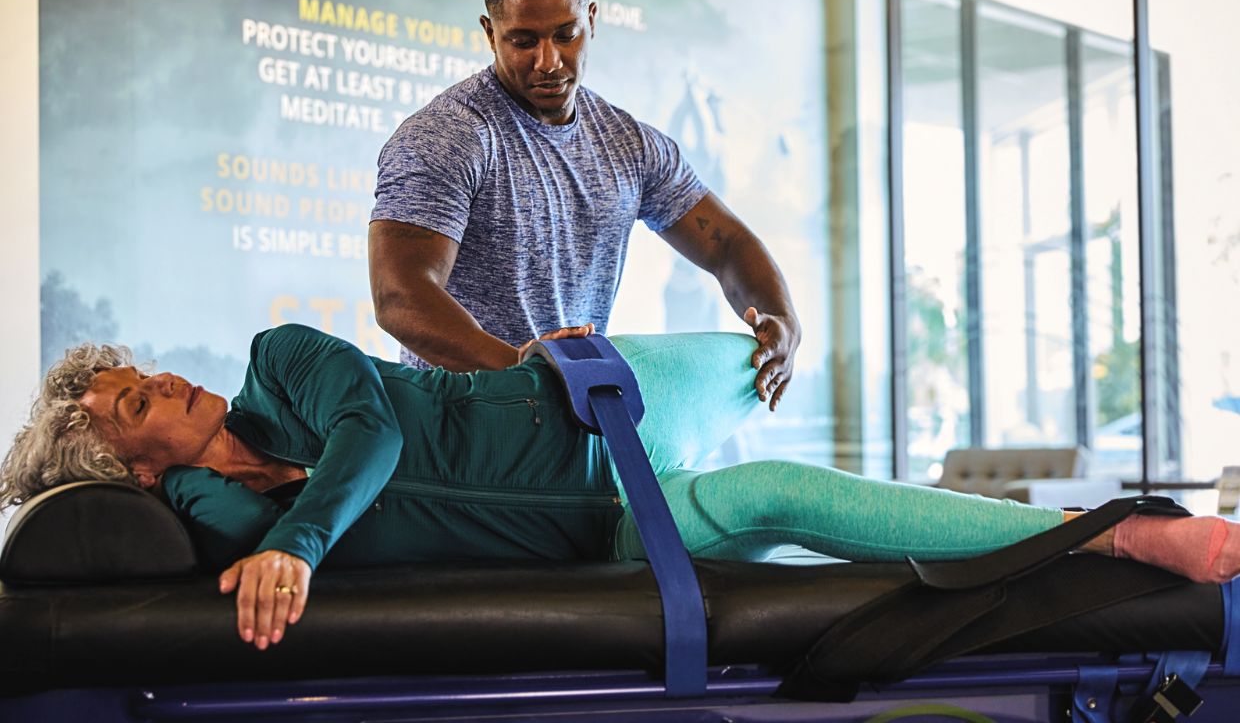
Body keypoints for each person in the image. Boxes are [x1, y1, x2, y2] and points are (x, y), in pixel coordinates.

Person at [4, 324, 1239, 656]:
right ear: (131, 465)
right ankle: (1127, 536)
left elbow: (371, 433)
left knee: (764, 364)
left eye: (141, 367)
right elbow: (198, 535)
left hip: (607, 401)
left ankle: (1127, 527)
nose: (159, 376)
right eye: (130, 401)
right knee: (784, 494)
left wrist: (303, 542)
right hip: (616, 516)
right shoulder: (212, 516)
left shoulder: (283, 356)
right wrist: (224, 524)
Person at [368, 0, 800, 411]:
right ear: (490, 34)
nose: (548, 61)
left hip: (571, 416)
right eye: (523, 41)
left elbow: (727, 245)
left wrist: (782, 318)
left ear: (590, 20)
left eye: (565, 35)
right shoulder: (452, 135)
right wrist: (522, 367)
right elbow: (401, 297)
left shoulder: (629, 144)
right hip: (462, 428)